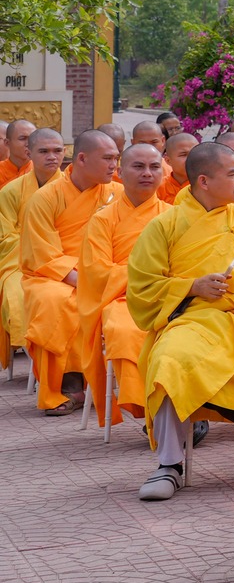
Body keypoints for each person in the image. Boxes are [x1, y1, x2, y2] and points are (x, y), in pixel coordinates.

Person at [127, 142, 234, 502]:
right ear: (204, 181)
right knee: (169, 359)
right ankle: (169, 464)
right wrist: (192, 286)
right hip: (197, 320)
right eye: (233, 174)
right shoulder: (165, 226)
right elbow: (142, 287)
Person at [19, 130, 119, 412]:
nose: (114, 165)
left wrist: (101, 279)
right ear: (82, 159)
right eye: (107, 158)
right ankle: (67, 385)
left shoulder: (118, 194)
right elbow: (42, 254)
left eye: (116, 158)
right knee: (54, 301)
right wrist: (82, 281)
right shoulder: (45, 198)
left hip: (106, 272)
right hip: (54, 275)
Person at [76, 142, 168, 428]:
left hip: (168, 297)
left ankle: (179, 406)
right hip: (122, 299)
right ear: (120, 172)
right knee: (125, 330)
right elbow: (97, 271)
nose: (147, 173)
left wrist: (165, 285)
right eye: (138, 166)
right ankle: (150, 408)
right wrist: (147, 279)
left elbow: (186, 264)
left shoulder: (174, 215)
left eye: (154, 167)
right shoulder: (102, 220)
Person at [0, 126, 66, 362]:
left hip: (64, 261)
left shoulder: (72, 189)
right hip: (22, 261)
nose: (52, 157)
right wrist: (37, 248)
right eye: (44, 151)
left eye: (57, 151)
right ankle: (36, 352)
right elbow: (5, 237)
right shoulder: (10, 191)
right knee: (17, 292)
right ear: (29, 153)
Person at [156, 133, 197, 203]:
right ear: (168, 160)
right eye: (184, 154)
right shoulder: (158, 187)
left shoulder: (206, 186)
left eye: (195, 153)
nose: (191, 158)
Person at [0, 118, 33, 188]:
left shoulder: (41, 170)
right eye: (22, 138)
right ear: (7, 143)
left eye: (32, 139)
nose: (28, 143)